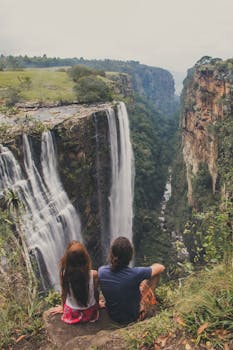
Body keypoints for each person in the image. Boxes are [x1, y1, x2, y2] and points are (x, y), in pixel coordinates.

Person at [98, 236, 165, 324]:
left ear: (111, 254)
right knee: (154, 275)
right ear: (130, 256)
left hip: (113, 316)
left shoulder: (102, 271)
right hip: (133, 317)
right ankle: (146, 305)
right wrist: (146, 272)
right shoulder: (136, 273)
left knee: (134, 283)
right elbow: (161, 267)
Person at [49, 241, 99, 324]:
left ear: (67, 260)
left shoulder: (64, 275)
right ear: (86, 258)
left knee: (69, 307)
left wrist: (62, 307)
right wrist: (97, 305)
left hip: (73, 314)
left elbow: (63, 294)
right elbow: (96, 292)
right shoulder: (93, 274)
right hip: (90, 313)